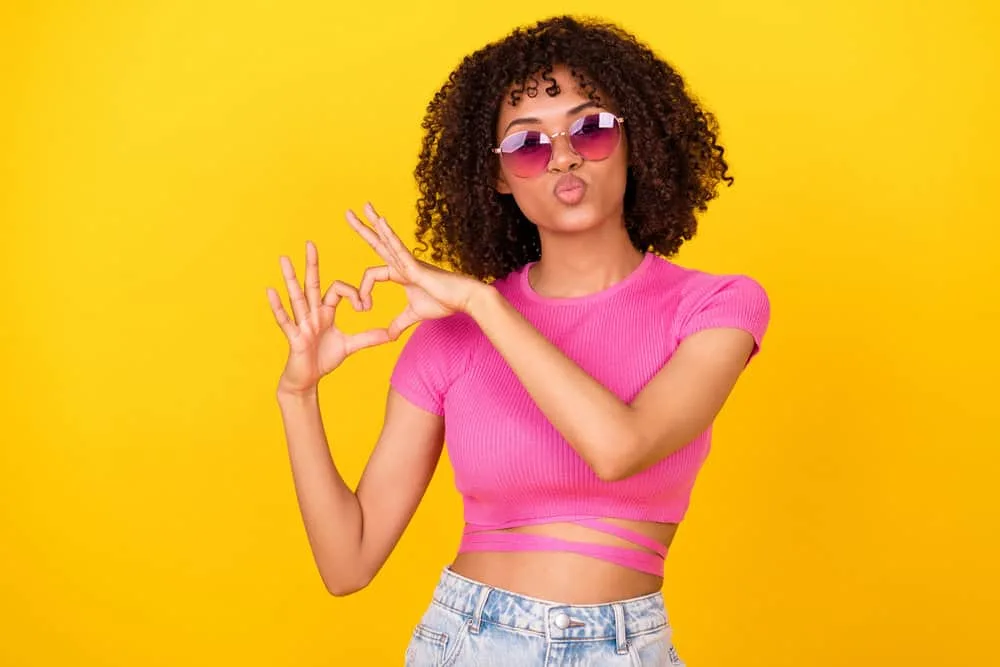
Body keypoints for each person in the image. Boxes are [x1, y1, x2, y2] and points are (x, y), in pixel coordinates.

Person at [266, 15, 770, 666]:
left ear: (632, 140)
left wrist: (481, 300)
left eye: (589, 129)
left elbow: (620, 447)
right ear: (500, 177)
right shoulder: (450, 338)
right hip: (467, 641)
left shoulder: (715, 305)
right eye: (529, 145)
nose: (562, 155)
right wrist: (297, 393)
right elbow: (348, 562)